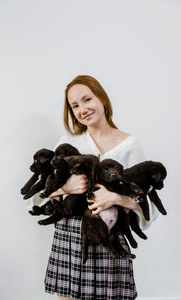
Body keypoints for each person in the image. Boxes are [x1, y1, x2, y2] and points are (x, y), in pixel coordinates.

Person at [30, 75, 159, 300]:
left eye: (87, 99)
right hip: (68, 238)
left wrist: (115, 199)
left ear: (102, 99)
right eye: (75, 106)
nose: (82, 109)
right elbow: (39, 198)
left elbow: (150, 207)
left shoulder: (130, 146)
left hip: (108, 239)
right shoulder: (68, 142)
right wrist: (65, 188)